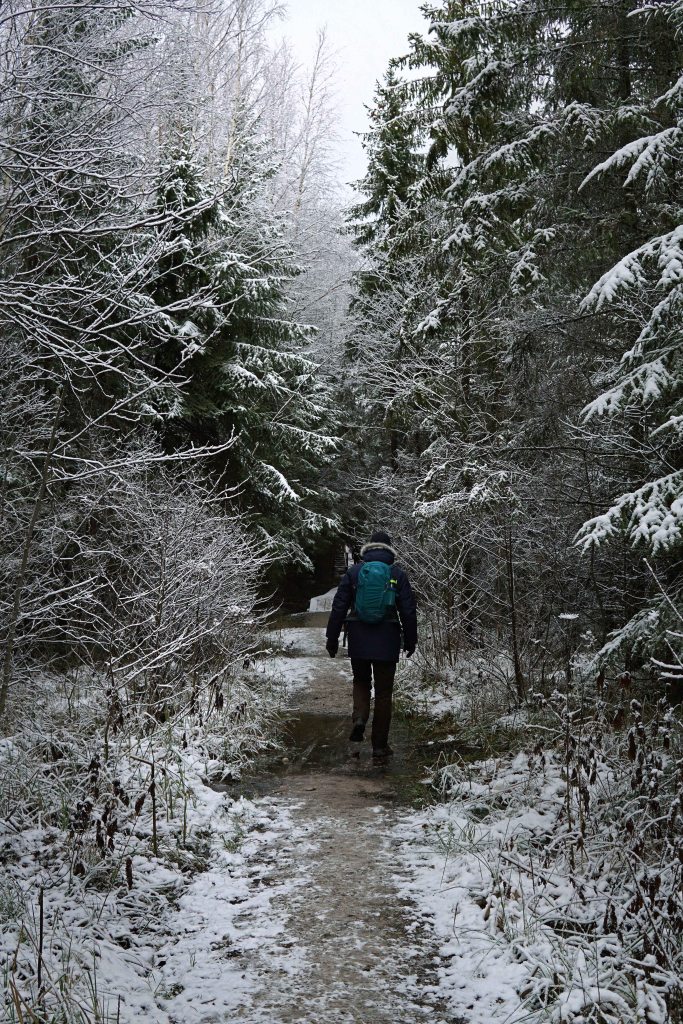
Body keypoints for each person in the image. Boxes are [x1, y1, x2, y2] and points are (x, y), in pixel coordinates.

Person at [325, 530, 417, 758]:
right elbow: (408, 610)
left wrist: (332, 638)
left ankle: (359, 719)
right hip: (387, 639)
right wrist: (411, 639)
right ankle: (379, 746)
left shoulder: (354, 572)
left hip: (359, 637)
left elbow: (339, 607)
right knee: (384, 693)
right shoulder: (397, 574)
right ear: (389, 550)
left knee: (362, 681)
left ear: (368, 549)